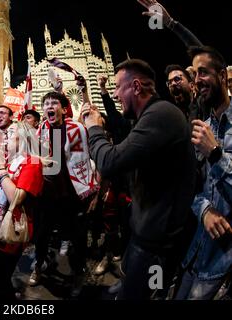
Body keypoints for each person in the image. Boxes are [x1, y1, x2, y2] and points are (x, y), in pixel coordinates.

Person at [83, 59, 196, 300]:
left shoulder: (161, 114)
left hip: (158, 247)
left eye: (116, 87)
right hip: (144, 237)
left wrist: (93, 129)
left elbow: (110, 162)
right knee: (129, 288)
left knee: (143, 296)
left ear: (135, 86)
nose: (114, 95)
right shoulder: (147, 116)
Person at [175, 46, 232, 300]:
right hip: (195, 250)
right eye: (194, 74)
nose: (197, 80)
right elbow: (189, 186)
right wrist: (205, 210)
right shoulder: (202, 128)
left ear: (221, 75)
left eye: (203, 72)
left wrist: (216, 154)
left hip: (223, 260)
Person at [31, 91, 99, 298]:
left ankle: (78, 273)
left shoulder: (77, 129)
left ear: (62, 108)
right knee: (41, 236)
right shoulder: (41, 130)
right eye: (46, 104)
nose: (49, 106)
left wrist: (94, 192)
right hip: (48, 197)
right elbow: (33, 156)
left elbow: (88, 159)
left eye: (54, 103)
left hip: (72, 196)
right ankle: (39, 266)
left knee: (78, 238)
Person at [0, 122, 44, 300]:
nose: (5, 136)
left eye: (10, 133)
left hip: (12, 231)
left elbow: (15, 198)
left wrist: (1, 168)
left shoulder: (32, 163)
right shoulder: (11, 160)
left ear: (24, 138)